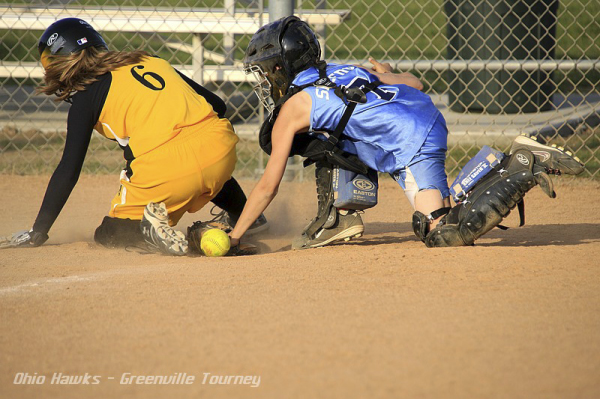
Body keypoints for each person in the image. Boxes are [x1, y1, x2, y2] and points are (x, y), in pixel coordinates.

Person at [227, 16, 584, 249]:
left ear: (280, 67)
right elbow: (415, 83)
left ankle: (520, 164)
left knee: (442, 233)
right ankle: (493, 166)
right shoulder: (342, 69)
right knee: (446, 212)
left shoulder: (293, 107)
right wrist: (387, 71)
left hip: (409, 140)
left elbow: (268, 185)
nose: (266, 80)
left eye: (266, 72)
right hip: (421, 116)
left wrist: (236, 235)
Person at [0, 18, 267, 255]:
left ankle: (151, 232)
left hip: (167, 169)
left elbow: (69, 169)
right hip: (220, 149)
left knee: (107, 233)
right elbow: (218, 105)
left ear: (58, 63)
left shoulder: (85, 97)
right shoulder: (149, 60)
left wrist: (38, 230)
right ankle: (246, 214)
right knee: (200, 153)